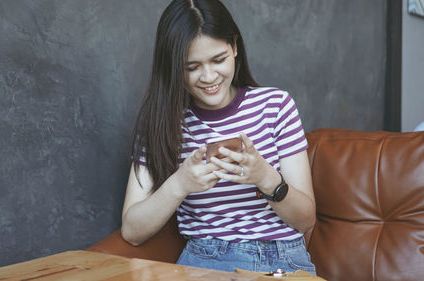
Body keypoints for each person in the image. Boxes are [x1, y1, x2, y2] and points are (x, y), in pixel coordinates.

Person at [121, 0, 316, 275]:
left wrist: (264, 177)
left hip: (282, 259)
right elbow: (132, 231)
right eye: (192, 67)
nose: (209, 77)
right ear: (174, 66)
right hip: (205, 261)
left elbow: (306, 221)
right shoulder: (161, 123)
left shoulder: (276, 106)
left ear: (235, 47)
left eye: (218, 59)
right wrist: (181, 183)